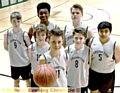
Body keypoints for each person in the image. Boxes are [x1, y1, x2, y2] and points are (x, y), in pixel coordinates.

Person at [88, 21, 120, 93]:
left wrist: (107, 65)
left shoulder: (115, 45)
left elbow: (118, 60)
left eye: (106, 31)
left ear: (110, 32)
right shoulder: (92, 41)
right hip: (94, 73)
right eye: (101, 31)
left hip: (107, 76)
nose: (103, 34)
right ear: (98, 31)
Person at [3, 11, 31, 88]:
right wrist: (14, 52)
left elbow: (30, 48)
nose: (16, 23)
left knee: (28, 81)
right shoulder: (7, 34)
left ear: (21, 21)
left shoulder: (24, 34)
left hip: (25, 63)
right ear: (10, 21)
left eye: (18, 21)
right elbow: (6, 47)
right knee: (16, 81)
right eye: (14, 21)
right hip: (14, 63)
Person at [66, 27, 91, 93]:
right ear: (73, 38)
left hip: (82, 82)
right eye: (76, 38)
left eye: (81, 38)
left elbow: (90, 65)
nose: (78, 40)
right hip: (70, 81)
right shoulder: (67, 49)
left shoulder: (88, 50)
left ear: (85, 39)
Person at [28, 24, 50, 88]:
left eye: (43, 35)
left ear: (46, 35)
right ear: (35, 36)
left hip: (45, 75)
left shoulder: (49, 48)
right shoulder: (31, 48)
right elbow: (31, 60)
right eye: (38, 35)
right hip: (35, 74)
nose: (40, 37)